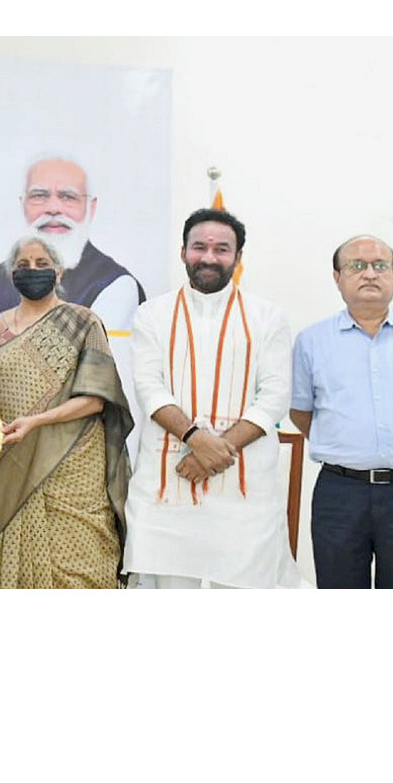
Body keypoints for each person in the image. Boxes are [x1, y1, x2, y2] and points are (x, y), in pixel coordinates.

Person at [123, 208, 300, 588]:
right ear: (183, 251)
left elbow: (274, 396)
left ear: (238, 257)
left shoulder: (267, 317)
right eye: (199, 246)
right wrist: (196, 440)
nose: (208, 256)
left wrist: (216, 452)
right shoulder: (151, 314)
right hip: (167, 489)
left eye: (222, 249)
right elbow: (148, 388)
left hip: (243, 494)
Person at [0, 235, 132, 588]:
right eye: (23, 266)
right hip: (11, 462)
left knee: (79, 571)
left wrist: (37, 421)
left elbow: (96, 399)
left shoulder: (83, 322)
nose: (32, 271)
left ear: (59, 272)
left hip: (74, 465)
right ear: (11, 273)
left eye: (42, 265)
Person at [290, 235, 393, 588]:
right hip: (340, 492)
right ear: (337, 278)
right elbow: (300, 412)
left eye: (380, 266)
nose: (369, 274)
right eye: (356, 266)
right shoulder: (312, 341)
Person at [0, 157, 145, 330]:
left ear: (91, 207)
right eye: (39, 196)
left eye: (68, 196)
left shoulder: (115, 285)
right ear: (23, 204)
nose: (53, 208)